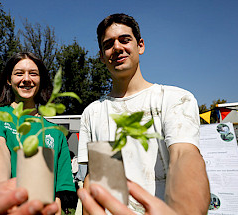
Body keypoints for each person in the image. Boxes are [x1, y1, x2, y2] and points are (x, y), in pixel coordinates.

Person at [77, 13, 210, 214]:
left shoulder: (174, 98)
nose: (117, 48)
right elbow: (95, 178)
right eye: (108, 44)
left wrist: (185, 209)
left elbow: (184, 155)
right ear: (101, 56)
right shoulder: (93, 112)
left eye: (124, 40)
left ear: (140, 45)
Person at [0, 52, 75, 215]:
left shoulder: (56, 134)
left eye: (33, 73)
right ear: (9, 80)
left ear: (41, 80)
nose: (26, 79)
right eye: (19, 73)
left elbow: (57, 194)